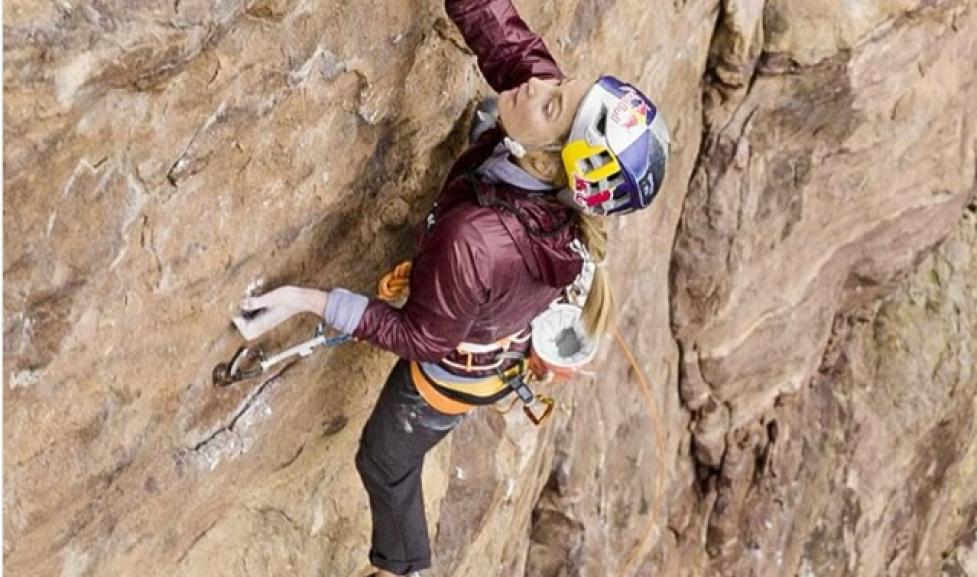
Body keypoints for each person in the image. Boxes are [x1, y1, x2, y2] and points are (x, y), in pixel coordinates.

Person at [231, 0, 670, 574]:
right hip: (487, 287)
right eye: (559, 84)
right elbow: (507, 41)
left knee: (383, 463)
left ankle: (404, 565)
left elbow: (423, 339)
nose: (538, 83)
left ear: (551, 163)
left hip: (456, 371)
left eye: (553, 99)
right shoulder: (549, 133)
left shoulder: (476, 241)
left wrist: (306, 300)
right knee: (494, 112)